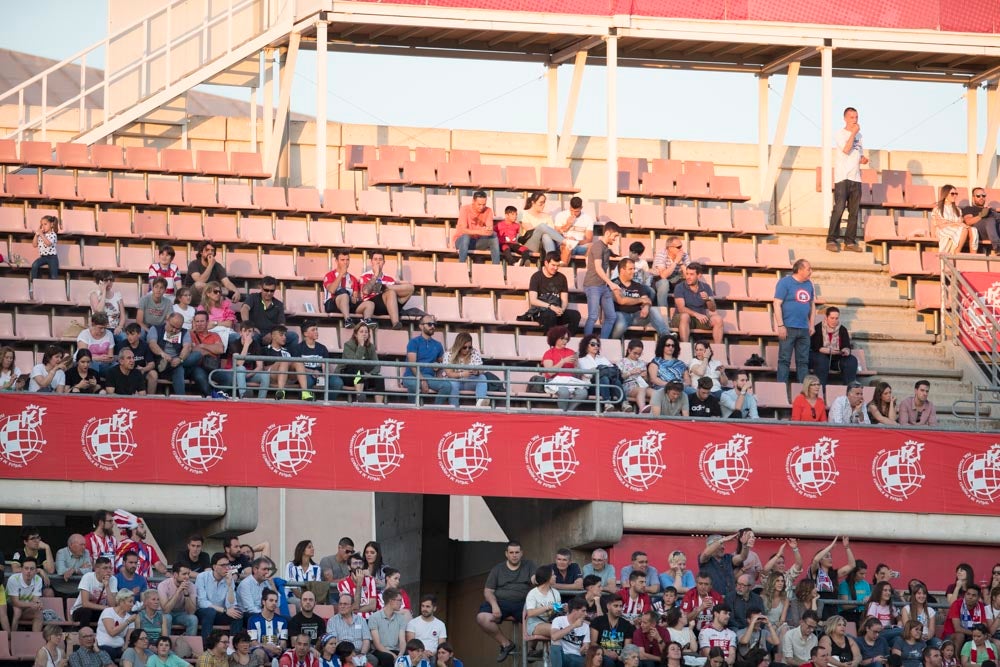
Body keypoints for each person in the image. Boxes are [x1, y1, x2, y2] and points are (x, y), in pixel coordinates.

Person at [476, 541, 536, 662]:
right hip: (500, 603)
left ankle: (531, 650)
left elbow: (535, 580)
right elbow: (488, 591)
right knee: (482, 618)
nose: (514, 555)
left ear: (521, 553)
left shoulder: (529, 565)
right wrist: (494, 606)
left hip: (523, 604)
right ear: (506, 554)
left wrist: (537, 580)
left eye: (517, 552)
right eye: (511, 552)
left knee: (537, 619)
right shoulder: (497, 569)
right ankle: (506, 644)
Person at [826, 107, 868, 253]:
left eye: (856, 117)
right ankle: (831, 239)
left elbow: (857, 153)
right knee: (839, 208)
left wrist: (862, 159)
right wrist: (854, 133)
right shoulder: (840, 134)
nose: (854, 120)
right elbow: (846, 149)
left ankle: (849, 241)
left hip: (856, 177)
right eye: (851, 117)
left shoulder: (860, 136)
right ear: (845, 118)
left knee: (854, 211)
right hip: (842, 177)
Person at [775, 259, 816, 383]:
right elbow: (777, 303)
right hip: (788, 327)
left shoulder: (809, 284)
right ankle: (781, 389)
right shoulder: (784, 282)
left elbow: (812, 305)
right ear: (800, 270)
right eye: (808, 269)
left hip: (804, 328)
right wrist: (781, 325)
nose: (811, 271)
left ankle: (804, 391)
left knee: (803, 361)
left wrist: (811, 324)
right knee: (784, 360)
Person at [401, 315, 454, 405]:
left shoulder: (438, 345)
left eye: (434, 324)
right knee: (414, 385)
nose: (432, 326)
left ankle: (435, 410)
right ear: (421, 326)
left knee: (447, 386)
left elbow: (441, 363)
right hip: (411, 376)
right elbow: (412, 364)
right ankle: (413, 411)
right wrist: (422, 380)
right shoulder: (413, 342)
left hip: (429, 377)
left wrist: (437, 366)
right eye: (429, 324)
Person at [583, 221, 623, 338]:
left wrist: (614, 254)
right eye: (614, 236)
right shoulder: (597, 246)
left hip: (602, 286)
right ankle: (587, 343)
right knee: (593, 316)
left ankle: (603, 341)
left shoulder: (605, 247)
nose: (615, 239)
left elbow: (606, 253)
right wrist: (611, 283)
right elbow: (598, 268)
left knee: (611, 316)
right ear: (607, 233)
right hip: (593, 285)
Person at [611, 257, 668, 339]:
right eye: (630, 269)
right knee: (621, 325)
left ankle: (666, 336)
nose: (633, 271)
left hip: (637, 316)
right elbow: (621, 300)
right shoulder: (614, 283)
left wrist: (646, 307)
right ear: (622, 270)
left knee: (653, 310)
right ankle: (610, 342)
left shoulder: (637, 285)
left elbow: (647, 300)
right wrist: (641, 300)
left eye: (634, 269)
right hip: (620, 314)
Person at [527, 251, 581, 333]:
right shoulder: (536, 277)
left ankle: (565, 339)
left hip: (557, 311)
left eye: (557, 265)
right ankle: (550, 340)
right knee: (550, 314)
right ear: (546, 263)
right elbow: (533, 300)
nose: (555, 268)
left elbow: (564, 300)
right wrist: (551, 307)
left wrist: (562, 309)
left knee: (575, 315)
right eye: (553, 265)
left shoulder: (562, 278)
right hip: (541, 312)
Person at [360, 251, 415, 330]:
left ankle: (384, 288)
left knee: (411, 288)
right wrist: (375, 275)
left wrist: (398, 282)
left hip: (390, 303)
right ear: (371, 262)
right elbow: (365, 291)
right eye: (375, 259)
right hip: (374, 304)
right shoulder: (365, 275)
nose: (378, 262)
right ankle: (395, 322)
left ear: (384, 262)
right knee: (391, 292)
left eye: (380, 259)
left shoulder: (389, 279)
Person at [196, 553, 243, 641]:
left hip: (221, 613)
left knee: (238, 613)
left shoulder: (229, 578)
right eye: (223, 565)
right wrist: (225, 610)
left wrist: (229, 586)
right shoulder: (202, 577)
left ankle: (233, 647)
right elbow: (202, 602)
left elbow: (232, 604)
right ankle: (207, 646)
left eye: (228, 565)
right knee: (210, 612)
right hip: (203, 613)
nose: (226, 568)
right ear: (214, 567)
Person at [261, 326, 315, 401]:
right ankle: (280, 392)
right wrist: (278, 363)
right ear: (273, 336)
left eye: (285, 335)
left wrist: (312, 371)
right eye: (281, 335)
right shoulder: (265, 350)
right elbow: (262, 369)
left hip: (288, 376)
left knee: (298, 361)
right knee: (284, 361)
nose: (284, 337)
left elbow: (297, 366)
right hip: (272, 376)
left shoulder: (288, 350)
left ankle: (305, 392)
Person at [672, 263, 723, 344]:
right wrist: (697, 314)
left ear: (699, 275)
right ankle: (686, 347)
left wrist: (708, 300)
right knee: (685, 316)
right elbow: (681, 309)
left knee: (718, 319)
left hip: (699, 319)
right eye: (687, 274)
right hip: (681, 318)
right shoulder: (679, 287)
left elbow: (712, 309)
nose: (688, 277)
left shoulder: (706, 287)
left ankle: (718, 349)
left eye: (691, 274)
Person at [542, 325, 588, 411]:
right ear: (555, 338)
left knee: (583, 393)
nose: (565, 341)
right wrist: (562, 361)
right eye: (562, 338)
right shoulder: (549, 353)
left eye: (566, 339)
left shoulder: (571, 352)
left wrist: (576, 364)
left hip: (570, 381)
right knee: (564, 392)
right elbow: (549, 373)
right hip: (555, 380)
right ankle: (564, 413)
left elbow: (577, 372)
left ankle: (567, 412)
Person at [323, 249, 373, 328]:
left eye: (347, 260)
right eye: (342, 260)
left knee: (370, 304)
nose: (345, 262)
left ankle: (366, 322)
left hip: (348, 304)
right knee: (344, 295)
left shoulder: (353, 278)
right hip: (331, 304)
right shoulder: (330, 275)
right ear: (336, 261)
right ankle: (347, 320)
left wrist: (355, 298)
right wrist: (341, 274)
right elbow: (331, 290)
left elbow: (355, 296)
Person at [241, 277, 297, 348]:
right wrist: (250, 327)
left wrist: (272, 334)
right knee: (252, 336)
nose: (269, 293)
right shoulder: (253, 297)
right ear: (261, 288)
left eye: (272, 291)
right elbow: (244, 309)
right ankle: (256, 358)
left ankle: (288, 358)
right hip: (255, 332)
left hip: (273, 334)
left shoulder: (279, 304)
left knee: (293, 336)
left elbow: (281, 325)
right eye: (266, 290)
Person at [810, 307, 859, 387]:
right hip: (820, 358)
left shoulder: (842, 329)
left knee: (851, 360)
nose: (834, 321)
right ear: (826, 317)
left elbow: (846, 345)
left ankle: (850, 390)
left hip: (836, 358)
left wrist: (845, 350)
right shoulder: (818, 328)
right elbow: (816, 347)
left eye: (836, 318)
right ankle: (821, 391)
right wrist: (829, 351)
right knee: (822, 360)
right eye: (832, 318)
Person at [577, 334, 624, 412]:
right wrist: (601, 369)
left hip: (607, 385)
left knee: (615, 380)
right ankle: (607, 403)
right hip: (592, 387)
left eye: (597, 345)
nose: (596, 346)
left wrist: (598, 370)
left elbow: (612, 371)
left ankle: (624, 403)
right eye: (593, 344)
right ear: (586, 346)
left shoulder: (602, 359)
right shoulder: (581, 360)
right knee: (604, 378)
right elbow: (588, 375)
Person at [647, 335, 691, 416]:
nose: (671, 347)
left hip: (680, 387)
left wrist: (681, 385)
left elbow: (688, 380)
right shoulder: (656, 361)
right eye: (668, 345)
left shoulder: (681, 363)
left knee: (695, 393)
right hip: (662, 387)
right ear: (662, 346)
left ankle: (694, 419)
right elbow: (653, 379)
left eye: (673, 345)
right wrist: (670, 385)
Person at [443, 332, 489, 407]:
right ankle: (454, 407)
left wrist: (477, 372)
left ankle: (480, 404)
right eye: (464, 347)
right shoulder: (449, 353)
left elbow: (481, 369)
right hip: (456, 380)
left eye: (469, 347)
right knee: (452, 383)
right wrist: (462, 374)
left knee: (482, 377)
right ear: (459, 346)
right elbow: (449, 373)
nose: (467, 349)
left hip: (470, 380)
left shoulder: (474, 352)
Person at [294, 320, 340, 396]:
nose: (316, 332)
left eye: (316, 329)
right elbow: (297, 366)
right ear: (305, 333)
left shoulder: (322, 348)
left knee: (337, 382)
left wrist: (324, 373)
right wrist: (312, 372)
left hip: (321, 375)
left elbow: (325, 365)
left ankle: (327, 403)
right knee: (307, 381)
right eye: (313, 330)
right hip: (306, 375)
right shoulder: (298, 348)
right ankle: (305, 403)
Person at [454, 190, 500, 264]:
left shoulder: (488, 210)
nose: (481, 207)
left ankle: (496, 266)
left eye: (484, 204)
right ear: (473, 201)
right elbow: (463, 230)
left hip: (477, 241)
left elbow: (490, 231)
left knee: (494, 236)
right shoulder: (464, 209)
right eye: (479, 204)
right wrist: (480, 231)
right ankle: (461, 265)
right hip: (461, 241)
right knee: (466, 236)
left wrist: (488, 230)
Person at [72, 556, 118, 626]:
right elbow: (85, 603)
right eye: (105, 568)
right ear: (97, 569)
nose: (109, 571)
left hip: (99, 611)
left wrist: (107, 586)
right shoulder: (88, 577)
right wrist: (106, 608)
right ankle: (84, 634)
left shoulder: (113, 579)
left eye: (110, 568)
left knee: (111, 613)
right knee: (87, 611)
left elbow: (112, 605)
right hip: (80, 611)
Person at [324, 595, 371, 663]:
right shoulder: (332, 621)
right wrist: (350, 654)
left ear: (352, 606)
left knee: (373, 660)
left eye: (345, 604)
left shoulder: (361, 620)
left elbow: (366, 639)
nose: (342, 606)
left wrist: (362, 654)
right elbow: (333, 642)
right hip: (342, 653)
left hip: (360, 652)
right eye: (340, 604)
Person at [246, 589, 289, 663]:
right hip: (261, 650)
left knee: (290, 652)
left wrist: (279, 648)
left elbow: (283, 642)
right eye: (271, 600)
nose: (274, 603)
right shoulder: (253, 620)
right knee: (259, 653)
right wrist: (268, 647)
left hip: (278, 652)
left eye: (276, 601)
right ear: (263, 602)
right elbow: (253, 642)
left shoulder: (282, 621)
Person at [591, 594, 634, 665]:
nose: (619, 609)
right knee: (608, 662)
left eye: (621, 606)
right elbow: (593, 644)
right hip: (602, 655)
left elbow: (627, 648)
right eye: (615, 606)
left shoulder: (627, 625)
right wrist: (607, 653)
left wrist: (622, 657)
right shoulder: (598, 621)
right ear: (608, 606)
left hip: (620, 657)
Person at [933, 185, 977, 254]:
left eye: (956, 194)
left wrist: (958, 224)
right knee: (963, 229)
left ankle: (974, 255)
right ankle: (956, 252)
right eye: (952, 194)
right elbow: (940, 224)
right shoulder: (938, 209)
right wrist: (955, 224)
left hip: (956, 228)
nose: (955, 196)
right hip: (943, 229)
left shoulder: (958, 210)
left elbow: (960, 222)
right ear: (945, 194)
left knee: (973, 230)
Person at [369, 587, 407, 666]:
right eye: (399, 600)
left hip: (396, 650)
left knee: (408, 656)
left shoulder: (401, 618)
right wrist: (393, 656)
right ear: (390, 601)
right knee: (388, 657)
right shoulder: (374, 617)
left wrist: (400, 654)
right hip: (379, 650)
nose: (401, 603)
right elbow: (377, 644)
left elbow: (402, 641)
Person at [159, 563, 199, 637]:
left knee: (193, 619)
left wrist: (186, 594)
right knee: (167, 617)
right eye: (184, 574)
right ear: (175, 575)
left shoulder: (192, 586)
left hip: (181, 614)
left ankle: (189, 646)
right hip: (167, 613)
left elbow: (191, 612)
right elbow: (166, 610)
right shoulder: (163, 585)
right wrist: (178, 591)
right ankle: (166, 644)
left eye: (188, 574)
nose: (187, 577)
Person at [97, 590, 139, 660]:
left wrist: (125, 647)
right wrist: (127, 621)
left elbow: (128, 639)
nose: (132, 604)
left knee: (131, 653)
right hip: (103, 645)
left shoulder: (130, 617)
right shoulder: (108, 611)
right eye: (130, 601)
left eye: (133, 602)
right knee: (110, 652)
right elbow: (112, 632)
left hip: (119, 647)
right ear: (121, 602)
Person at [8, 556, 45, 631]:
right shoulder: (13, 579)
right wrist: (32, 604)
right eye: (26, 568)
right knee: (17, 611)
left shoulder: (38, 579)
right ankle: (12, 638)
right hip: (10, 609)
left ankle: (35, 640)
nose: (28, 571)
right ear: (21, 569)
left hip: (26, 609)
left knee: (39, 613)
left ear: (36, 571)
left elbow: (35, 600)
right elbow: (15, 602)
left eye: (32, 569)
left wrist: (38, 603)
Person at [198, 281, 239, 348]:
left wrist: (215, 323)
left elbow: (229, 324)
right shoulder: (202, 308)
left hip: (226, 332)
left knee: (239, 338)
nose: (218, 294)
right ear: (208, 293)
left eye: (219, 292)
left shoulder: (225, 305)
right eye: (215, 291)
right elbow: (204, 326)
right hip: (210, 333)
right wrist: (222, 323)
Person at [552, 597, 592, 667]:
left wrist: (585, 649)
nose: (586, 614)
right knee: (555, 645)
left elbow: (586, 646)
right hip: (562, 655)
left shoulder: (585, 626)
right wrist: (573, 625)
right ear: (574, 611)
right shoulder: (559, 620)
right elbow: (554, 637)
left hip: (577, 656)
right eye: (583, 611)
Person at [554, 196, 595, 262]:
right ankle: (563, 269)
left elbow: (589, 239)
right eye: (572, 210)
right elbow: (556, 233)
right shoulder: (561, 215)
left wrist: (576, 241)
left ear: (581, 208)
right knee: (567, 246)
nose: (573, 213)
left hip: (579, 245)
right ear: (570, 207)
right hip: (565, 244)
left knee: (592, 246)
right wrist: (568, 224)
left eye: (576, 211)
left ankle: (586, 269)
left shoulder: (588, 218)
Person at [651, 236, 689, 308]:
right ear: (670, 248)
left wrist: (681, 263)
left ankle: (683, 313)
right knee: (664, 283)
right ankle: (663, 312)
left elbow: (688, 276)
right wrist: (676, 262)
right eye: (678, 247)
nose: (681, 249)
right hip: (658, 280)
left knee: (688, 283)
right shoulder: (661, 254)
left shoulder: (684, 255)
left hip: (676, 279)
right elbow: (663, 276)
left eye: (681, 246)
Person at [525, 565, 561, 639]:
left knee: (565, 628)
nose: (555, 576)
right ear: (547, 578)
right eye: (553, 575)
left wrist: (563, 608)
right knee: (556, 630)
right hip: (535, 623)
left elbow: (558, 611)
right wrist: (547, 607)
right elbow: (530, 613)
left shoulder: (556, 593)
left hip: (551, 621)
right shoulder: (533, 593)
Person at [618, 339, 654, 413]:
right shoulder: (622, 362)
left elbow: (646, 380)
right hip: (628, 385)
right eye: (635, 353)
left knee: (655, 393)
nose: (637, 356)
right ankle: (642, 409)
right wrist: (630, 372)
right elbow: (620, 377)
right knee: (641, 389)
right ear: (629, 350)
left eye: (639, 354)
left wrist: (645, 376)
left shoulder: (642, 363)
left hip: (641, 384)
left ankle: (652, 411)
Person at [89, 271, 125, 344]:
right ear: (100, 282)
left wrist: (119, 327)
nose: (109, 283)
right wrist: (104, 292)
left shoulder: (118, 295)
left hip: (114, 328)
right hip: (99, 328)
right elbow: (99, 311)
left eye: (111, 280)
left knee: (123, 338)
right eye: (106, 280)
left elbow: (123, 316)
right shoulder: (94, 294)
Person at [76, 313, 116, 377]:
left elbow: (110, 355)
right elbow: (83, 356)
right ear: (93, 325)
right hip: (88, 362)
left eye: (105, 328)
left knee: (117, 366)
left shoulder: (109, 334)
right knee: (93, 365)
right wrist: (98, 358)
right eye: (100, 328)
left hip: (104, 363)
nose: (103, 330)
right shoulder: (84, 335)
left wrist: (110, 358)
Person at [962, 188, 1000, 254]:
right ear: (973, 197)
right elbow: (968, 222)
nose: (981, 198)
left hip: (994, 230)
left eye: (983, 196)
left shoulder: (990, 209)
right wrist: (981, 215)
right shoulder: (969, 208)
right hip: (980, 231)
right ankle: (997, 247)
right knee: (990, 220)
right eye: (978, 196)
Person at [30, 214, 60, 279]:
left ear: (51, 224)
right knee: (34, 265)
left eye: (45, 224)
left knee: (53, 275)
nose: (43, 226)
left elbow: (48, 243)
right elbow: (34, 245)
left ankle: (53, 285)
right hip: (43, 257)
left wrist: (41, 235)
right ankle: (33, 281)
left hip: (52, 257)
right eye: (42, 224)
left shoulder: (53, 234)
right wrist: (36, 234)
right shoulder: (41, 235)